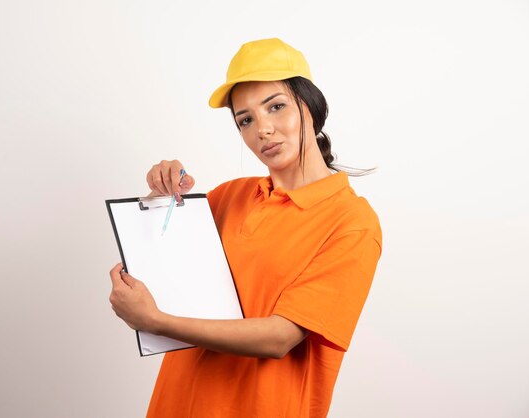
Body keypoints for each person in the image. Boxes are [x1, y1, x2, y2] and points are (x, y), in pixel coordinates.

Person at [109, 37, 382, 418]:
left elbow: (280, 337)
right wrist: (157, 199)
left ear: (312, 107)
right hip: (177, 405)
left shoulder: (351, 222)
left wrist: (154, 321)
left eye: (277, 107)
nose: (263, 130)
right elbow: (164, 274)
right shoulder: (227, 197)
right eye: (246, 120)